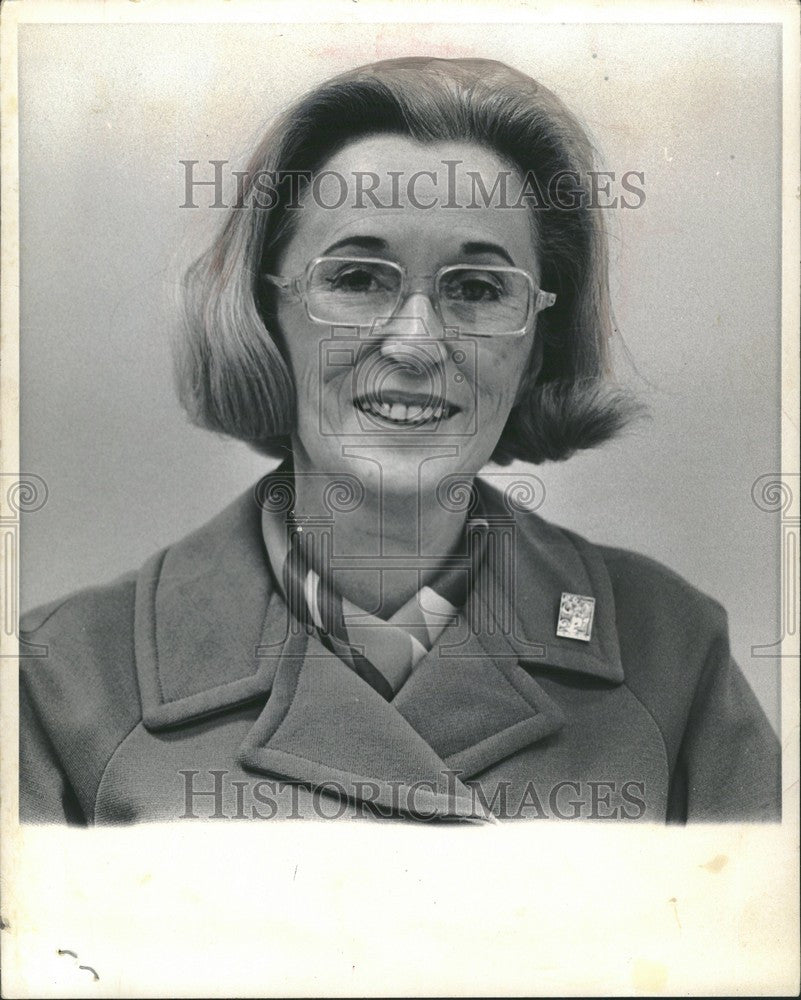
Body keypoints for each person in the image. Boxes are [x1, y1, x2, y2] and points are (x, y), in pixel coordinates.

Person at [19, 56, 780, 824]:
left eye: (478, 290)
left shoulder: (670, 652)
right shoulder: (66, 676)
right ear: (263, 314)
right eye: (356, 280)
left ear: (537, 347)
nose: (415, 342)